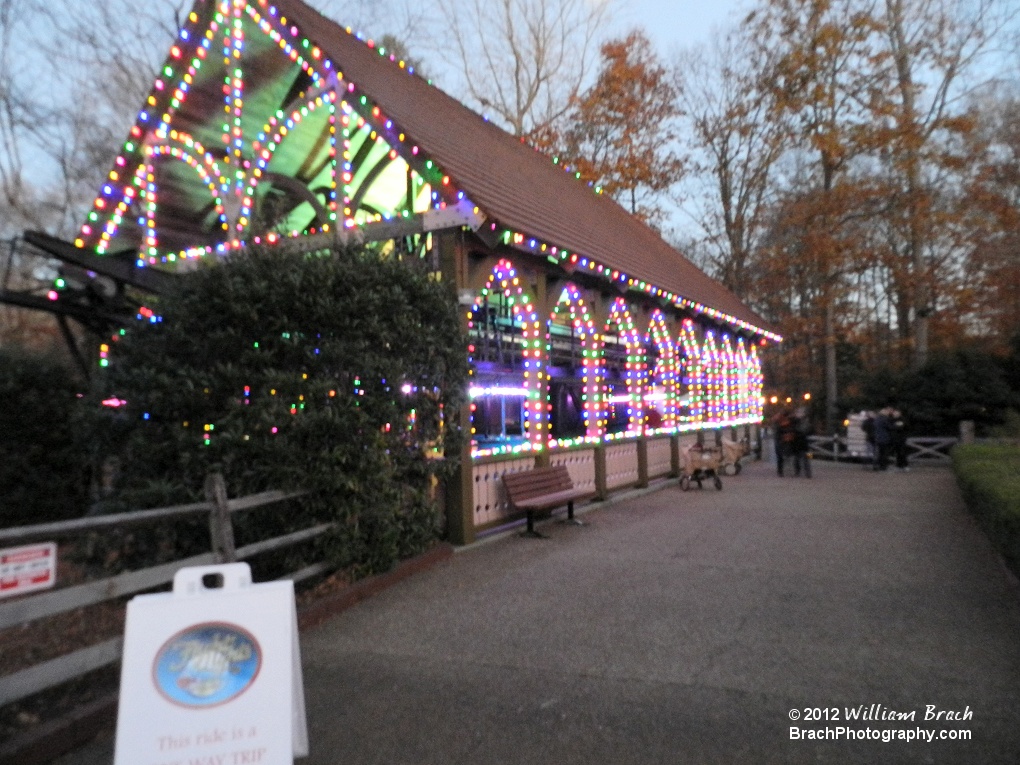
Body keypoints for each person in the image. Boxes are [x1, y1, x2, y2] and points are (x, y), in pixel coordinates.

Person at [772, 407, 794, 477]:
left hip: (785, 441)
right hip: (782, 441)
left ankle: (781, 471)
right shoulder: (780, 423)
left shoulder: (787, 422)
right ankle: (781, 471)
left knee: (782, 457)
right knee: (781, 456)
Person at [791, 406, 812, 478]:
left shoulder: (805, 421)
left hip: (803, 442)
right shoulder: (794, 421)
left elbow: (807, 429)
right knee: (796, 458)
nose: (799, 414)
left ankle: (807, 472)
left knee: (806, 457)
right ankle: (797, 471)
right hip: (796, 442)